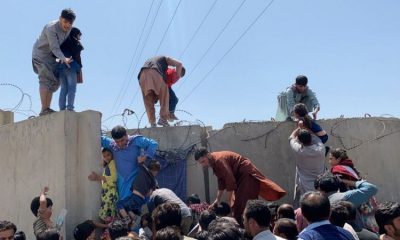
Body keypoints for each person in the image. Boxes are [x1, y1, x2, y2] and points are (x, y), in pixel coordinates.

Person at [194, 148, 286, 226]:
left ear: (208, 155)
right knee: (238, 207)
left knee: (243, 206)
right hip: (239, 178)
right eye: (200, 163)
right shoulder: (213, 162)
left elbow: (230, 181)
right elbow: (221, 181)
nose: (203, 165)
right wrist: (217, 199)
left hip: (246, 174)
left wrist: (228, 202)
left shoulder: (218, 160)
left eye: (203, 161)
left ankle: (251, 229)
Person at [32, 8, 76, 116]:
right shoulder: (51, 28)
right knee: (45, 78)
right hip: (41, 55)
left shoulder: (69, 28)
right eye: (65, 22)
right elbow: (55, 48)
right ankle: (44, 109)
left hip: (52, 57)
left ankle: (46, 109)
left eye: (70, 23)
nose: (67, 25)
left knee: (55, 81)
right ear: (60, 18)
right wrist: (63, 58)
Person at [101, 125, 158, 201]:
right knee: (122, 205)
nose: (120, 144)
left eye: (122, 140)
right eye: (117, 141)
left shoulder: (135, 141)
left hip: (135, 180)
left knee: (134, 204)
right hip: (121, 182)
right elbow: (99, 138)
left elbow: (153, 144)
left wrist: (145, 156)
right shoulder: (112, 145)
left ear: (126, 135)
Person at [137, 56, 184, 127]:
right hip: (155, 72)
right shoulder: (165, 58)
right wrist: (177, 75)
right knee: (165, 96)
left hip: (142, 75)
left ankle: (152, 123)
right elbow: (179, 64)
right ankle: (163, 119)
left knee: (148, 101)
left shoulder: (155, 60)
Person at [289, 128, 325, 208]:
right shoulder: (321, 149)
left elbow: (291, 138)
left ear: (300, 141)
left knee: (307, 206)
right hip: (320, 184)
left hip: (304, 185)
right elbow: (317, 139)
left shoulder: (299, 150)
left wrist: (299, 127)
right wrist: (308, 128)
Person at [116, 160, 158, 225]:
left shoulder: (144, 170)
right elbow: (149, 193)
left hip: (135, 197)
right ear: (156, 171)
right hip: (141, 200)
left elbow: (139, 160)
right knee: (128, 208)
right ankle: (135, 218)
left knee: (119, 204)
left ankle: (128, 219)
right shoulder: (154, 181)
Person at [57, 27, 84, 111]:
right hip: (71, 66)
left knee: (63, 88)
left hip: (61, 67)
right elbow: (77, 53)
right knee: (72, 88)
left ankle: (62, 109)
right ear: (76, 34)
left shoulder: (63, 41)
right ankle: (70, 108)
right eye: (79, 35)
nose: (80, 37)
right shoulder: (75, 42)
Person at [88, 148, 118, 222]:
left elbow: (114, 178)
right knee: (109, 214)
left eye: (108, 155)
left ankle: (110, 227)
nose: (106, 158)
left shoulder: (112, 163)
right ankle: (109, 229)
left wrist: (98, 177)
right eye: (104, 156)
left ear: (112, 154)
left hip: (110, 192)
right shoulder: (109, 165)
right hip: (108, 192)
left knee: (104, 215)